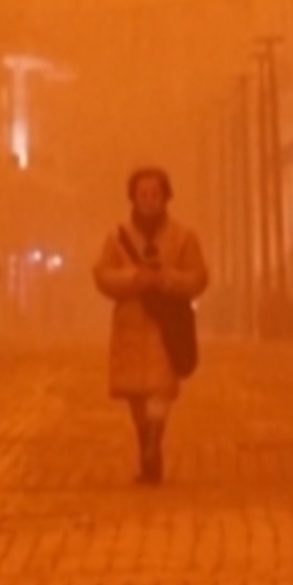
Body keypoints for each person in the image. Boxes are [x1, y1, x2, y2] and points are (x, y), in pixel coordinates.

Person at [93, 166, 208, 485]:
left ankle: (153, 445)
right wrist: (133, 279)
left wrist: (166, 280)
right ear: (133, 197)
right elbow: (102, 275)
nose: (149, 200)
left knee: (159, 389)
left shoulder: (184, 237)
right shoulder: (116, 238)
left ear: (165, 196)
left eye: (155, 194)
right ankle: (146, 443)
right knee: (135, 397)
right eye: (142, 194)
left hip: (165, 326)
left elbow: (199, 277)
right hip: (130, 325)